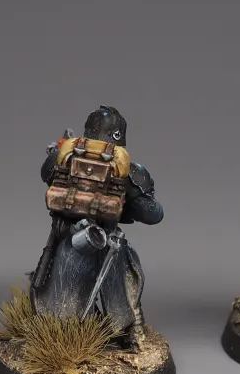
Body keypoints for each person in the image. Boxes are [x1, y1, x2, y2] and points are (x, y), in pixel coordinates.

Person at [31, 106, 163, 351]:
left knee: (61, 301)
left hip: (69, 240)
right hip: (108, 243)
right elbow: (154, 214)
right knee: (124, 285)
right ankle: (129, 332)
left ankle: (66, 338)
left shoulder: (64, 156)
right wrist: (125, 200)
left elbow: (45, 174)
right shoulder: (129, 170)